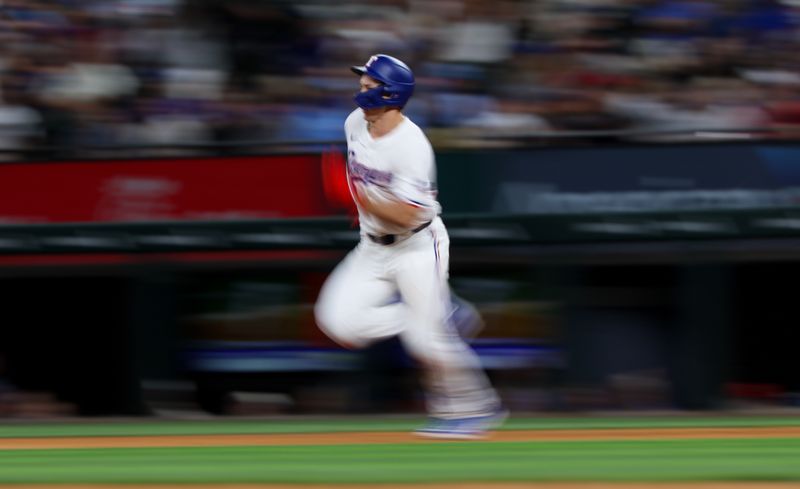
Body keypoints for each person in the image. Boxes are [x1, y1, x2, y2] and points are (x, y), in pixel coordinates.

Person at [314, 54, 506, 439]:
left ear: (390, 94)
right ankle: (443, 312)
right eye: (362, 83)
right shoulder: (354, 123)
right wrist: (361, 202)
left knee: (426, 341)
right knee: (337, 321)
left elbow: (406, 216)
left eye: (369, 86)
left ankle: (473, 409)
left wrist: (358, 199)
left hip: (417, 246)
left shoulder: (412, 146)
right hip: (372, 248)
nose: (360, 90)